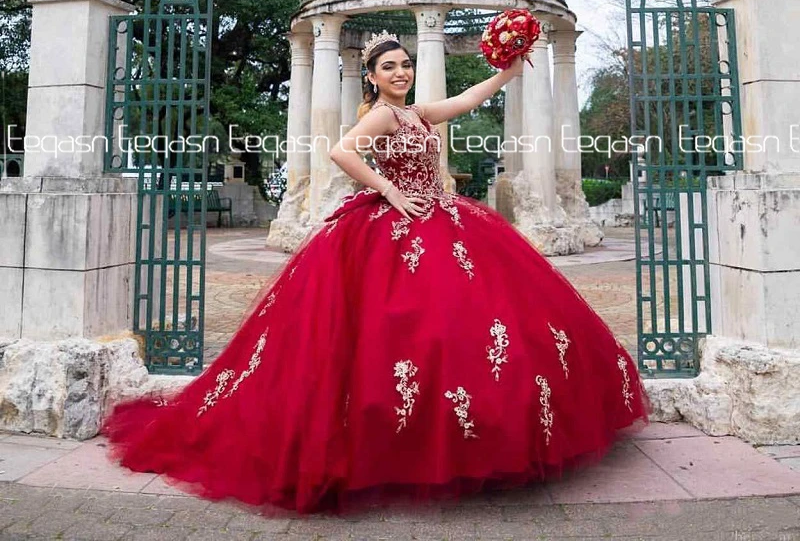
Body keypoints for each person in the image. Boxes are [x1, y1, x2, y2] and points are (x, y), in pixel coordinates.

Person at [102, 29, 649, 516]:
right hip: (396, 220)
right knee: (403, 329)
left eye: (405, 64)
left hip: (441, 216)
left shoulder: (417, 113)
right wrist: (388, 190)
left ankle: (458, 435)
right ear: (372, 76)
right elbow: (343, 152)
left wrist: (508, 69)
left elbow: (466, 98)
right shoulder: (383, 115)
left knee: (470, 324)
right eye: (389, 67)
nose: (401, 72)